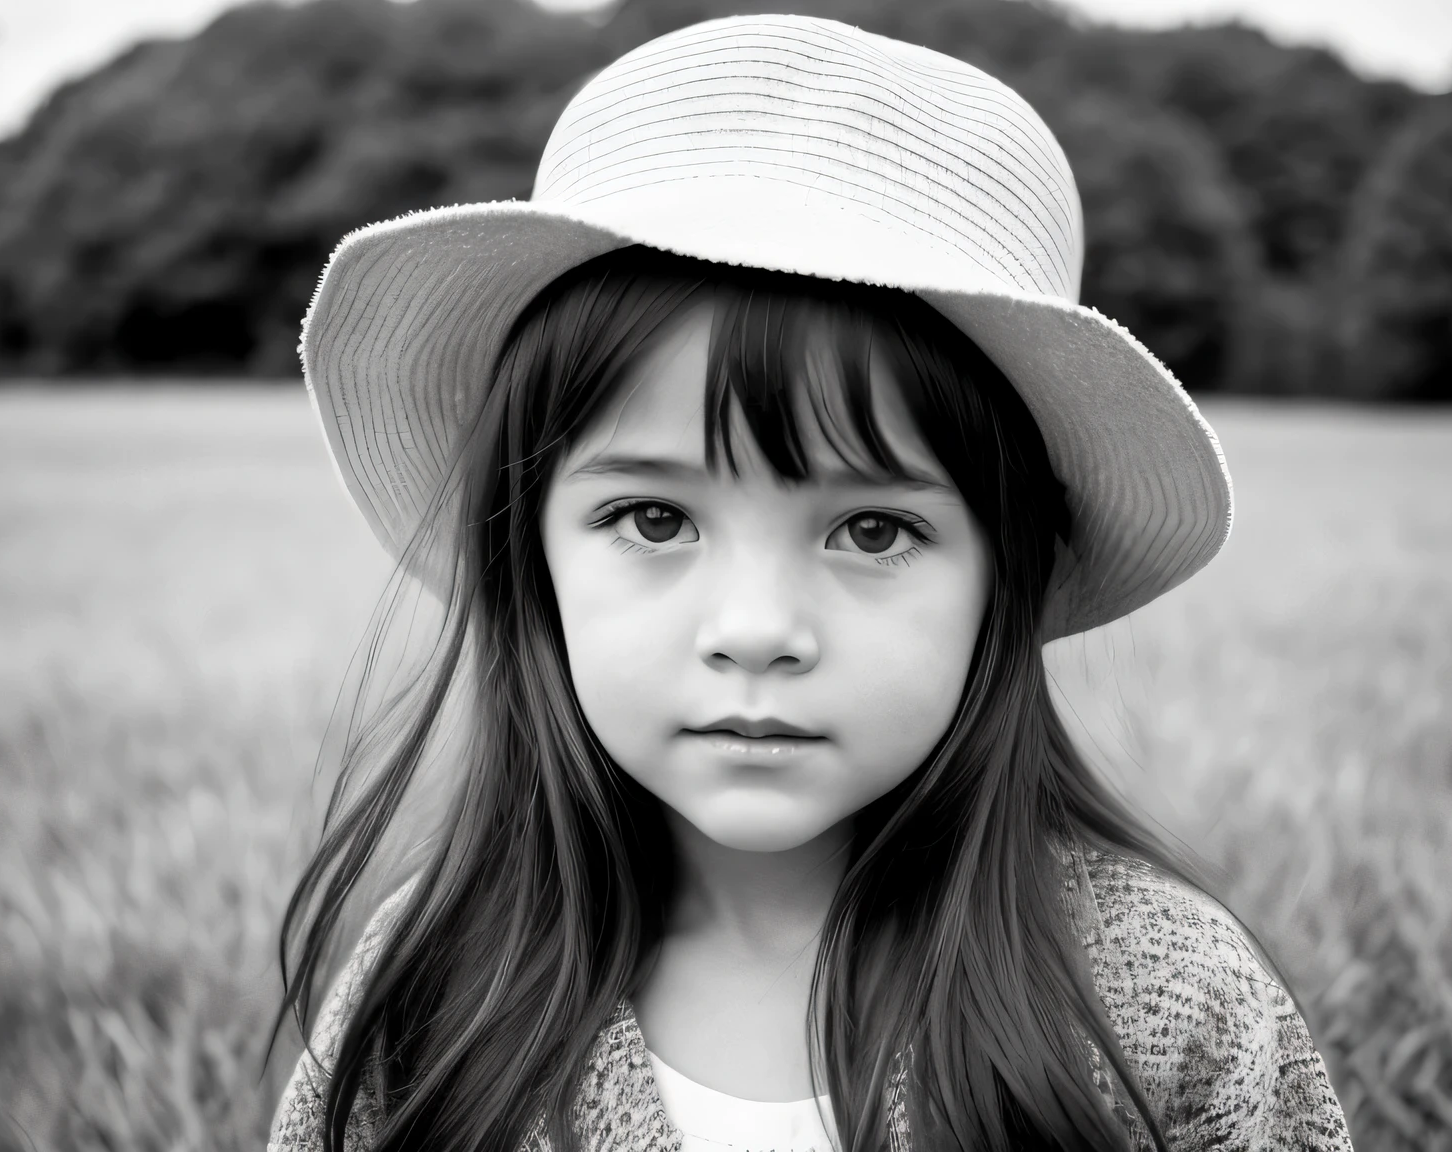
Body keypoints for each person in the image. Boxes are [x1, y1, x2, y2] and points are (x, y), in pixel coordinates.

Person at [266, 14, 1351, 1152]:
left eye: (873, 530)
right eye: (651, 517)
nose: (755, 630)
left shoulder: (1163, 999)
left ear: (1006, 577)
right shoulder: (431, 994)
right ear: (526, 552)